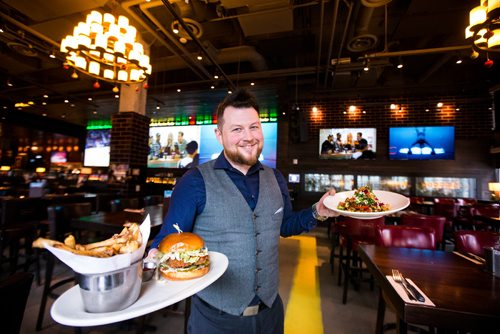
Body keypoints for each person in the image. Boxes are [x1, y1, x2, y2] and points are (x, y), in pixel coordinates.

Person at [147, 89, 337, 334]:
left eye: (254, 127)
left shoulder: (276, 178)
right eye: (237, 129)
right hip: (216, 319)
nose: (248, 137)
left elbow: (285, 225)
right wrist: (147, 258)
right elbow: (167, 240)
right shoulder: (194, 181)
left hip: (271, 314)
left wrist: (317, 211)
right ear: (219, 135)